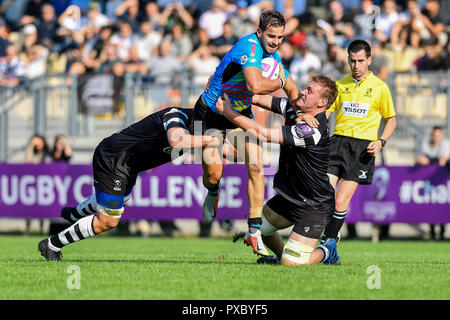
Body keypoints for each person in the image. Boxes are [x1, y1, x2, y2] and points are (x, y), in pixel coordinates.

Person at [37, 106, 220, 261]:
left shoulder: (200, 132)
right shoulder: (176, 116)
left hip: (129, 165)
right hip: (114, 157)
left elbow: (227, 148)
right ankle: (52, 245)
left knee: (116, 204)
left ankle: (75, 213)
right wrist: (211, 140)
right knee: (108, 221)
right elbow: (176, 140)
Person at [193, 9, 299, 257]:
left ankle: (254, 231)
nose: (275, 42)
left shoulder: (273, 57)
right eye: (271, 36)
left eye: (280, 37)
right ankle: (213, 190)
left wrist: (302, 113)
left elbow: (292, 87)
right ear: (259, 32)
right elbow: (256, 86)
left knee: (256, 165)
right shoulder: (249, 47)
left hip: (239, 113)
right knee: (213, 173)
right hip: (211, 110)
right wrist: (282, 82)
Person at [216, 74, 339, 266]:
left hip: (313, 205)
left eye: (310, 91)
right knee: (256, 231)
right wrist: (229, 86)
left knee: (293, 265)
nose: (303, 92)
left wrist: (229, 113)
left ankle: (327, 250)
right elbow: (256, 98)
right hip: (290, 196)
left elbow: (263, 133)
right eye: (306, 88)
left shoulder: (312, 131)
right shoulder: (293, 107)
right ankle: (282, 257)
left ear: (322, 102)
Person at [322, 39, 397, 264]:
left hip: (362, 149)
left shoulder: (380, 87)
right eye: (352, 61)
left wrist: (381, 141)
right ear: (348, 60)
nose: (356, 65)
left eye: (360, 61)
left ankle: (329, 244)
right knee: (323, 194)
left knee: (341, 200)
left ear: (369, 60)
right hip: (337, 144)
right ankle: (321, 243)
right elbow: (326, 111)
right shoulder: (341, 85)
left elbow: (391, 120)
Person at [415, 125, 449, 241]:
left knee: (441, 207)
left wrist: (430, 161)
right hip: (429, 182)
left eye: (438, 135)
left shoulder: (445, 145)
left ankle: (442, 230)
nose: (436, 137)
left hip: (442, 183)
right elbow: (418, 158)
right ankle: (433, 231)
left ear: (441, 136)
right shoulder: (426, 145)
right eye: (435, 134)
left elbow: (443, 161)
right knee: (431, 207)